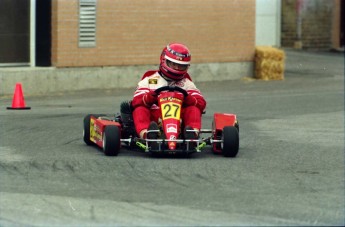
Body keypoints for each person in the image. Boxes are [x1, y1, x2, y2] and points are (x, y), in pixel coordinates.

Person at [131, 43, 207, 141]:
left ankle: (192, 135)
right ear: (164, 60)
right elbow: (136, 101)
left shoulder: (187, 83)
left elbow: (201, 103)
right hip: (154, 117)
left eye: (181, 66)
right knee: (140, 109)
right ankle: (147, 135)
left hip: (180, 119)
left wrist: (188, 99)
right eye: (174, 64)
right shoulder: (150, 80)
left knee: (194, 109)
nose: (177, 68)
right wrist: (151, 97)